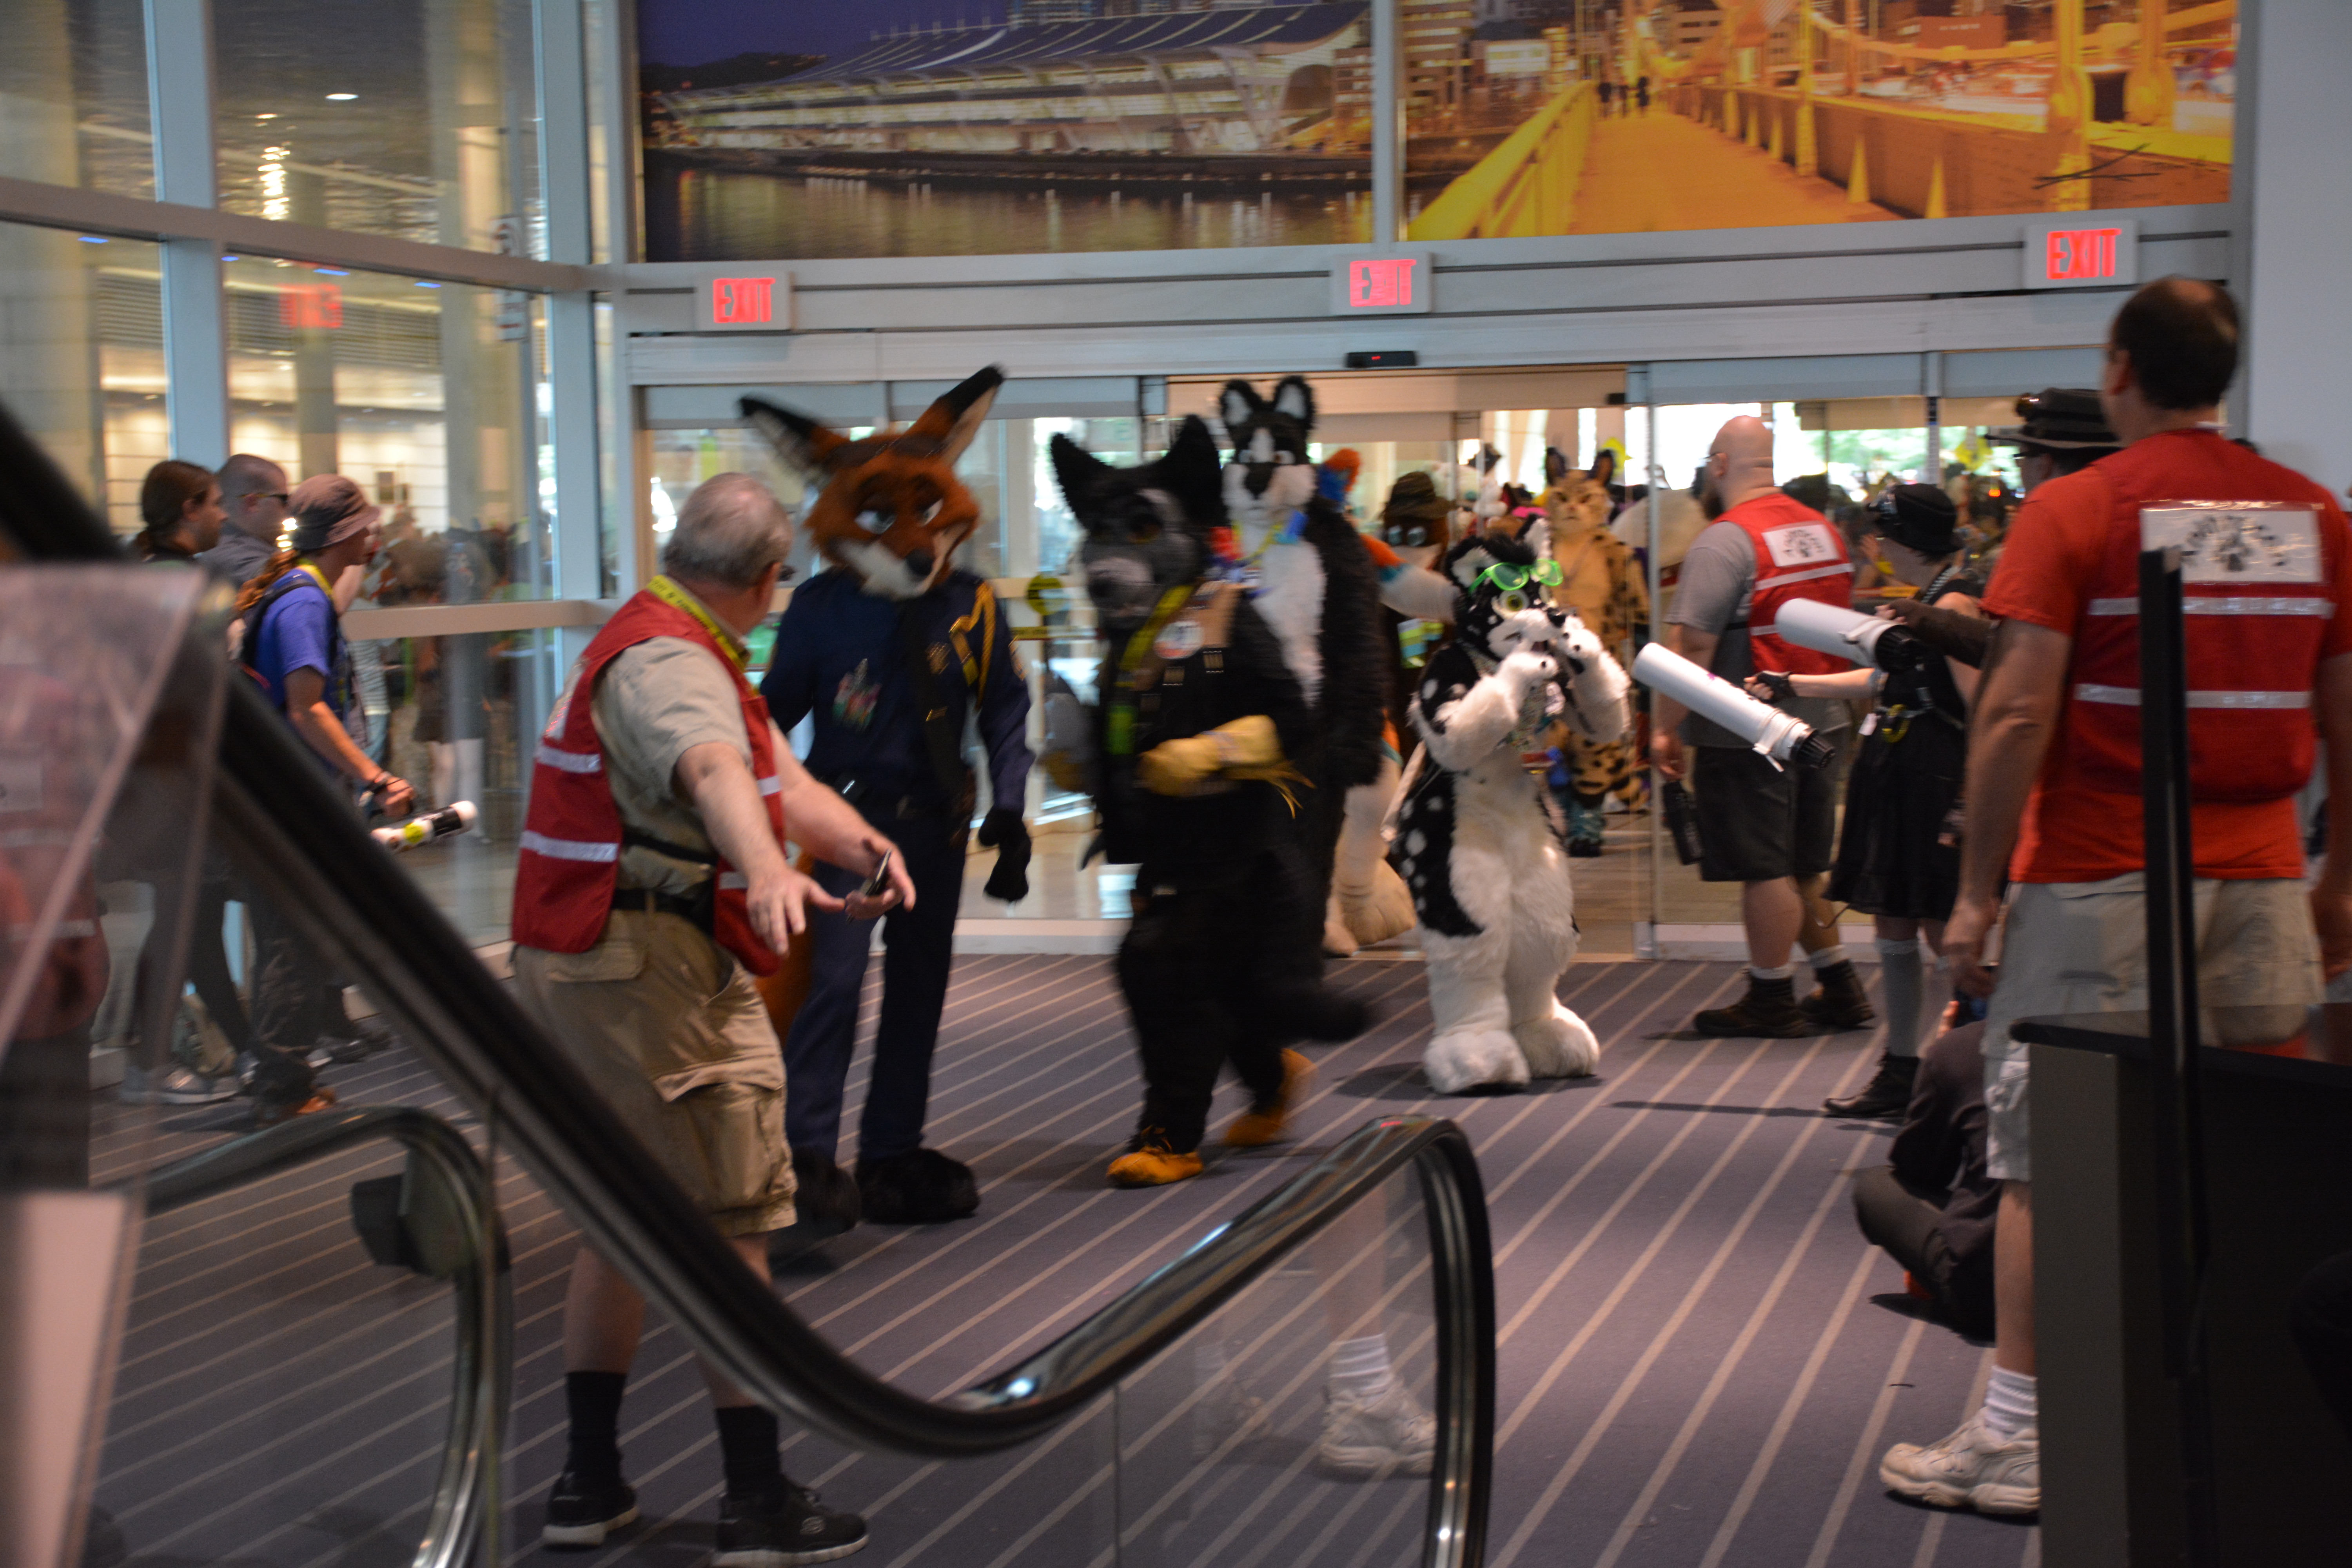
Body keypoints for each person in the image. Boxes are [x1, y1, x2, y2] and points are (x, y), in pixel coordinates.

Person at [1880, 277, 2352, 1518]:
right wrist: (2341, 879)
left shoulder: (2076, 508)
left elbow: (2016, 713)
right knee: (2258, 1152)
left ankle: (2018, 1435)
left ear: (2120, 367)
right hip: (2263, 881)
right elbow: (2346, 707)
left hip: (2095, 876)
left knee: (2052, 1161)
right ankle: (2252, 1429)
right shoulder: (2311, 514)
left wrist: (1975, 895)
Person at [510, 473, 911, 1559]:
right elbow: (715, 768)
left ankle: (589, 1484)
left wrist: (862, 846)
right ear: (771, 579)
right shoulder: (673, 665)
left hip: (595, 963)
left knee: (622, 1224)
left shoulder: (661, 637)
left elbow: (782, 780)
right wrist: (766, 870)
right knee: (734, 1228)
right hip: (652, 976)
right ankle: (756, 1501)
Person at [1749, 484, 1985, 1116]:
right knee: (1896, 925)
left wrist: (1970, 797)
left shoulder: (1953, 603)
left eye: (1881, 535)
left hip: (1932, 777)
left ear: (1905, 542)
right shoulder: (1928, 599)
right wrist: (1791, 684)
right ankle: (1903, 1068)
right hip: (1902, 775)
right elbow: (1888, 680)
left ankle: (1967, 1072)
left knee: (1937, 927)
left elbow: (1976, 704)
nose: (1873, 546)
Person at [1651, 416, 1872, 1036]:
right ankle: (1840, 985)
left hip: (1749, 730)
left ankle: (1770, 997)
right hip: (1823, 721)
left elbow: (1693, 646)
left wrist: (1665, 728)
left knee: (1764, 869)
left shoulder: (1726, 540)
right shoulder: (1822, 530)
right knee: (1802, 866)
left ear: (1719, 465)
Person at [233, 475, 414, 1123]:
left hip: (269, 797)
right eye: (367, 524)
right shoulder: (305, 602)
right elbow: (307, 709)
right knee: (294, 942)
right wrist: (375, 776)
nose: (376, 534)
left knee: (287, 939)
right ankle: (283, 1093)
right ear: (344, 534)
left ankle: (282, 1076)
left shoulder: (294, 588)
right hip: (290, 804)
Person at [1851, 1021, 1997, 1339]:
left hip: (1993, 1297)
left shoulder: (1968, 1046)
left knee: (1877, 1185)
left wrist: (1939, 1066)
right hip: (2109, 1293)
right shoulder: (2108, 1042)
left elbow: (1920, 1169)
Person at [197, 453, 291, 587]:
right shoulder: (231, 557)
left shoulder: (241, 546)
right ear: (252, 503)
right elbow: (294, 584)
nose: (289, 506)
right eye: (284, 499)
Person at [131, 461, 226, 565]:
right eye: (217, 504)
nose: (224, 516)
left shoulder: (138, 569)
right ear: (191, 510)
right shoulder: (190, 575)